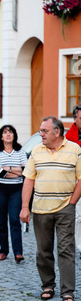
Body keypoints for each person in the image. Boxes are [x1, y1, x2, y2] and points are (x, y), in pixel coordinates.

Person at [20, 116, 81, 301]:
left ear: (57, 132)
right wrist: (24, 207)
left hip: (65, 208)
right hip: (40, 209)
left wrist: (71, 203)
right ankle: (48, 285)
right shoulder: (37, 151)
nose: (41, 134)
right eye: (40, 131)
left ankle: (67, 291)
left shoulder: (74, 149)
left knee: (66, 250)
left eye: (44, 131)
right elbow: (29, 180)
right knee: (43, 251)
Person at [0, 125, 27, 262]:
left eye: (10, 132)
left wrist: (8, 169)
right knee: (1, 221)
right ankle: (3, 251)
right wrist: (17, 171)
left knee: (14, 219)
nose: (8, 135)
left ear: (14, 136)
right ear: (1, 136)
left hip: (16, 190)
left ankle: (18, 252)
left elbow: (26, 171)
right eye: (5, 132)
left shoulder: (20, 151)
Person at [66, 105, 81, 256]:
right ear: (75, 119)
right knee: (78, 217)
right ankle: (79, 246)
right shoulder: (69, 138)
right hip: (76, 183)